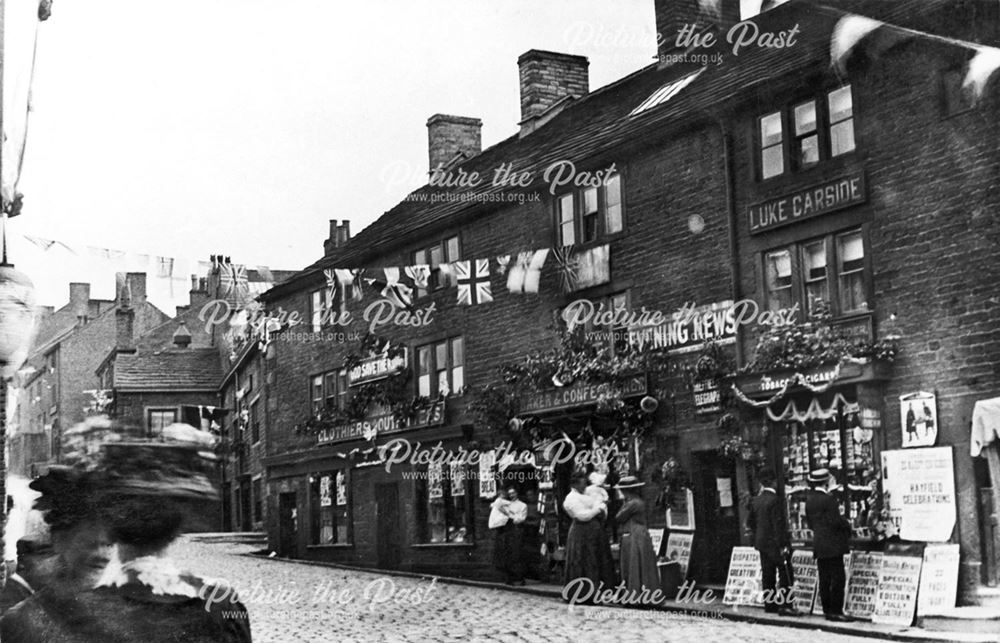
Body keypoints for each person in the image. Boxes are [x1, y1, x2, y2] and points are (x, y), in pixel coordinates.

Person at [0, 467, 116, 640]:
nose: (102, 555)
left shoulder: (121, 613)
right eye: (90, 544)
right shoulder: (23, 621)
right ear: (60, 540)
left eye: (108, 544)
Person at [746, 469, 798, 616]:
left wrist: (760, 535)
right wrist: (783, 545)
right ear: (774, 482)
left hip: (762, 543)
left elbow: (750, 522)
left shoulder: (756, 500)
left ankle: (770, 605)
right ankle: (786, 605)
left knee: (767, 574)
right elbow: (778, 526)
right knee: (785, 573)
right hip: (775, 544)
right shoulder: (775, 500)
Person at [805, 468, 852, 622]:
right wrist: (847, 524)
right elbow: (835, 521)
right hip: (833, 544)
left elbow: (811, 523)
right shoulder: (829, 499)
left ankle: (827, 610)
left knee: (824, 578)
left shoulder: (810, 499)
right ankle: (836, 611)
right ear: (826, 482)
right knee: (838, 578)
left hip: (820, 544)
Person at [563, 472, 617, 602]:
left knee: (596, 560)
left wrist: (600, 509)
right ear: (574, 484)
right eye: (582, 484)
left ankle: (598, 593)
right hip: (581, 533)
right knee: (583, 560)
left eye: (585, 483)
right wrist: (598, 509)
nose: (584, 486)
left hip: (594, 533)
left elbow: (600, 510)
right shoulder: (571, 498)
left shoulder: (586, 495)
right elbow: (582, 516)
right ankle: (582, 593)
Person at [613, 476, 660, 606]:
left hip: (635, 534)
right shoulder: (636, 501)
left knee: (634, 563)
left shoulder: (632, 503)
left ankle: (635, 596)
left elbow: (619, 517)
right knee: (640, 564)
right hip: (639, 533)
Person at [490, 486, 527, 585]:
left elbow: (520, 519)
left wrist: (510, 516)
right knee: (507, 556)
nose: (511, 495)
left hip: (517, 531)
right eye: (510, 494)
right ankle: (509, 578)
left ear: (517, 493)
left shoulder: (522, 505)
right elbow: (496, 507)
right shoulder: (506, 503)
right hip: (507, 532)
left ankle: (520, 578)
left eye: (513, 493)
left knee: (517, 555)